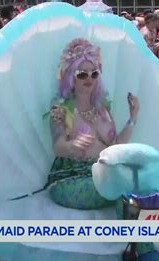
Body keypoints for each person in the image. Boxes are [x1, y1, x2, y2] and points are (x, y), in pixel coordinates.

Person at [48, 38, 139, 209]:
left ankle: (137, 232)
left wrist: (132, 118)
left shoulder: (103, 107)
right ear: (70, 77)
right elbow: (57, 146)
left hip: (103, 174)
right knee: (120, 192)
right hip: (70, 179)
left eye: (94, 73)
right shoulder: (60, 107)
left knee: (136, 186)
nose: (89, 78)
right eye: (82, 74)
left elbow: (115, 147)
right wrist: (72, 146)